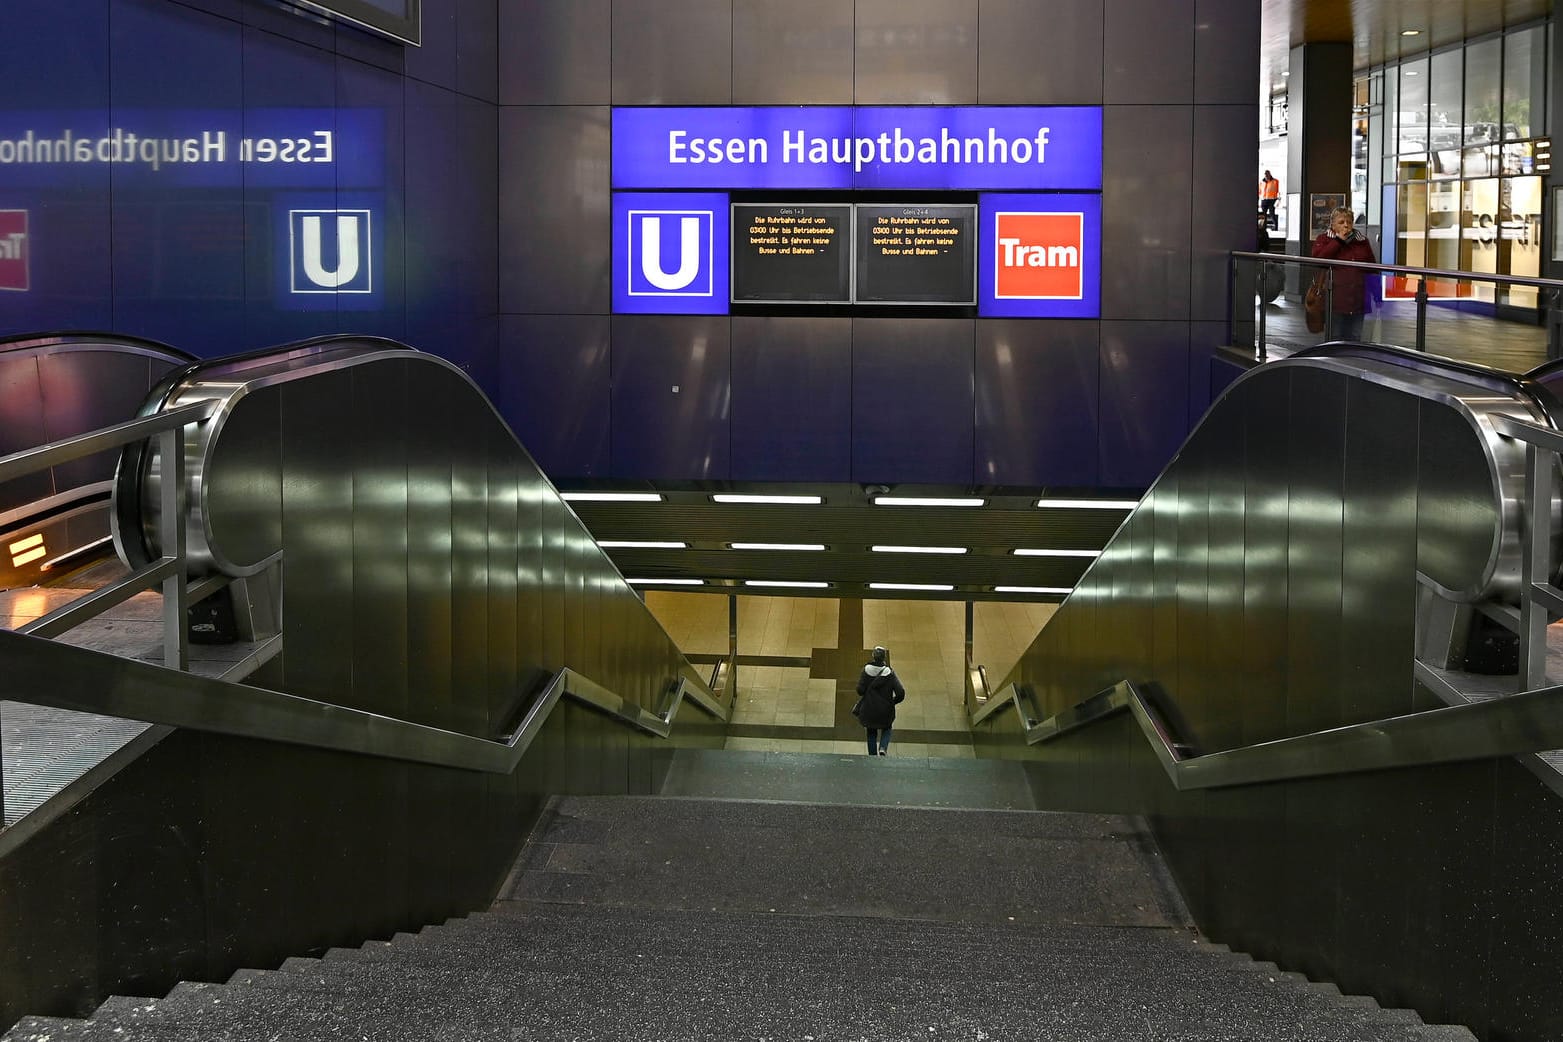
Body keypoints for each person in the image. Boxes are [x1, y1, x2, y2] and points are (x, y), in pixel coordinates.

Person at [1309, 206, 1375, 342]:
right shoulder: (1324, 239)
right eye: (1341, 222)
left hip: (1358, 300)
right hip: (1334, 299)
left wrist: (1376, 294)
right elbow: (1319, 260)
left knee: (1355, 338)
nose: (1346, 225)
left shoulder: (1362, 241)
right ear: (1332, 224)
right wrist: (1338, 241)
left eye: (1349, 222)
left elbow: (1372, 268)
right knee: (1335, 337)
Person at [854, 646, 905, 756]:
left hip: (869, 708)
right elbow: (900, 692)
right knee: (887, 727)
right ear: (884, 658)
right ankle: (883, 747)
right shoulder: (889, 673)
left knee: (871, 731)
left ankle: (872, 756)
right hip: (885, 709)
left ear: (873, 656)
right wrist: (892, 702)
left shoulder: (866, 670)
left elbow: (860, 690)